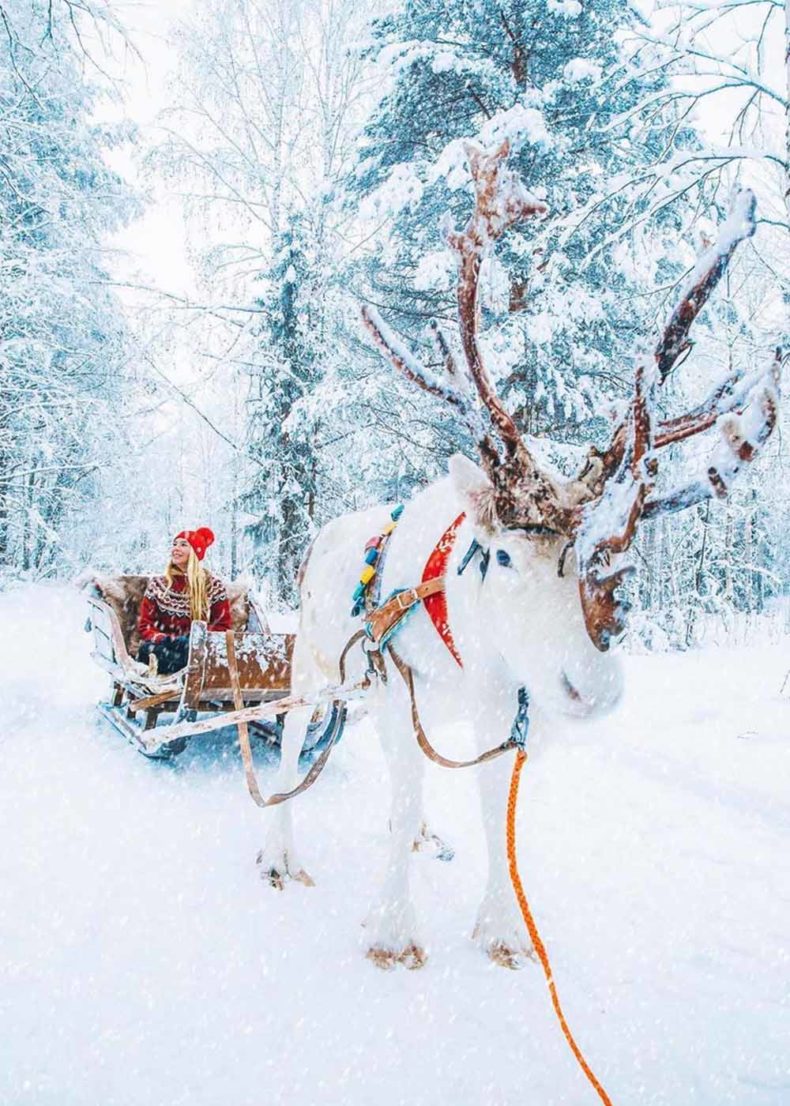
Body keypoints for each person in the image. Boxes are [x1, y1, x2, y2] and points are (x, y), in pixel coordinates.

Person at [137, 527, 232, 675]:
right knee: (146, 651)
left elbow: (222, 626)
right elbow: (145, 626)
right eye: (174, 544)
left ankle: (189, 667)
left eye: (183, 544)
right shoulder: (158, 585)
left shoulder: (212, 586)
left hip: (196, 648)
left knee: (198, 654)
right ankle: (187, 669)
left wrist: (193, 640)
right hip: (164, 648)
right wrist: (165, 640)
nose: (176, 548)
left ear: (195, 552)